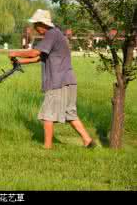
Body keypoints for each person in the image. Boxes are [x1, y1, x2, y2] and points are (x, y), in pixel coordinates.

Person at [8, 9, 96, 149]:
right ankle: (88, 140)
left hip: (58, 81)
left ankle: (47, 147)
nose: (35, 28)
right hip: (68, 80)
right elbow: (39, 57)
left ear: (42, 24)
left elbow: (35, 52)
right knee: (70, 114)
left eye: (36, 25)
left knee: (48, 114)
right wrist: (19, 61)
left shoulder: (51, 34)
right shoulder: (56, 34)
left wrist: (14, 52)